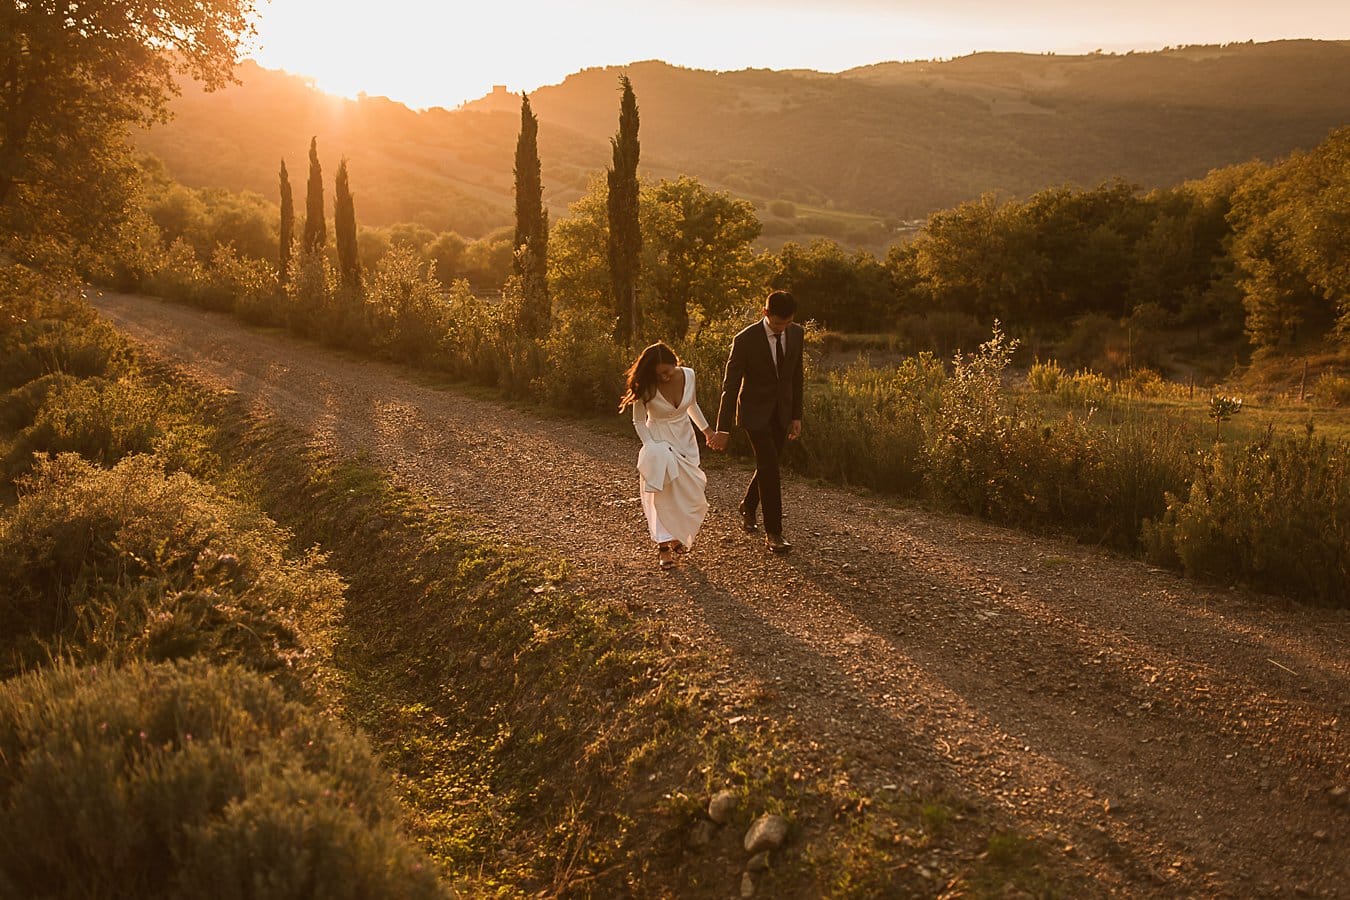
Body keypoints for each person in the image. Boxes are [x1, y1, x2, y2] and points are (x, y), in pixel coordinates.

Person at [708, 290, 804, 553]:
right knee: (771, 469)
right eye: (777, 324)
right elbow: (730, 386)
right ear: (765, 313)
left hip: (782, 413)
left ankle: (748, 506)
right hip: (754, 414)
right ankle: (774, 533)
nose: (782, 329)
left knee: (768, 464)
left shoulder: (797, 333)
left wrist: (796, 415)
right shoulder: (745, 340)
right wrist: (723, 428)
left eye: (786, 323)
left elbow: (796, 376)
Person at [621, 342, 716, 570]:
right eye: (659, 374)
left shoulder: (689, 375)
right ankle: (663, 547)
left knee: (688, 491)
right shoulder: (645, 386)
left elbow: (691, 405)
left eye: (668, 371)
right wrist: (652, 447)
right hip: (659, 442)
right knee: (662, 495)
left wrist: (707, 431)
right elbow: (638, 421)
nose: (665, 376)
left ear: (676, 363)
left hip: (685, 439)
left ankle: (679, 535)